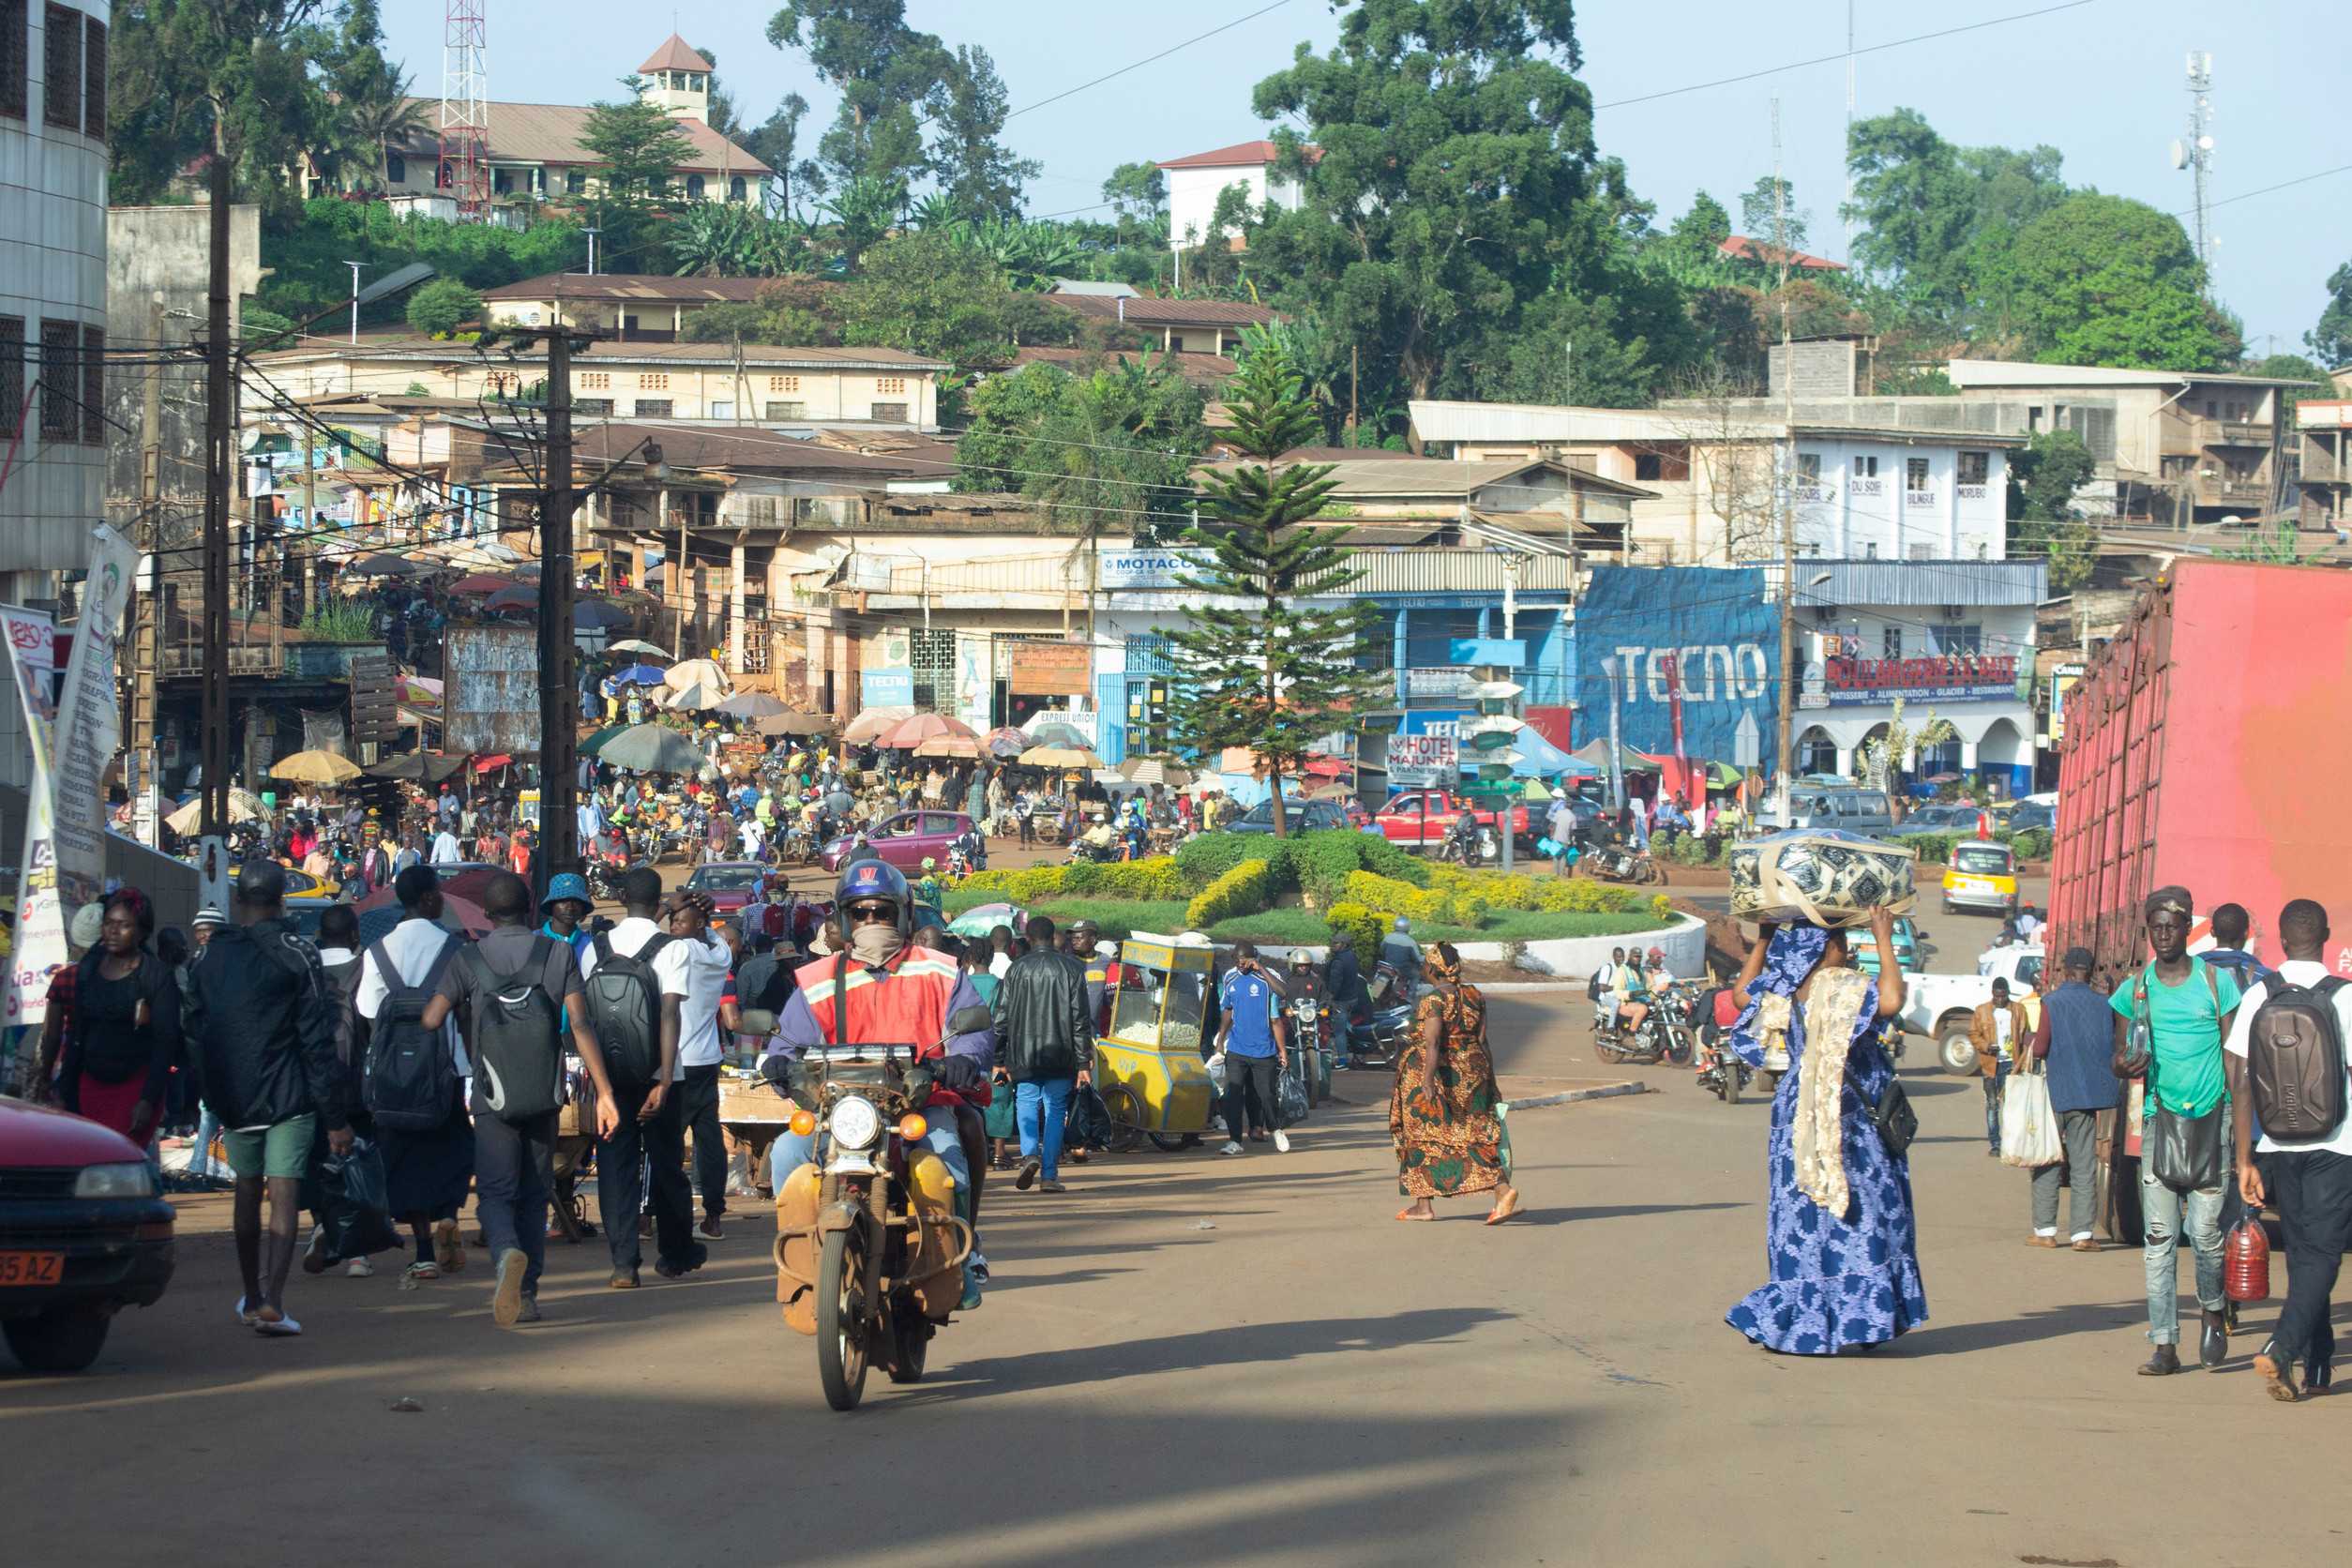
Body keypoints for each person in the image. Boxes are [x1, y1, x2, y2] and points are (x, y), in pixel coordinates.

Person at [761, 860, 996, 1309]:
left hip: (919, 1106)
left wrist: (965, 1059)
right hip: (840, 1113)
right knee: (788, 1156)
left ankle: (960, 1262)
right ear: (845, 919)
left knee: (948, 1166)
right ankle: (801, 1269)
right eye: (861, 913)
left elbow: (975, 1031)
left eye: (881, 912)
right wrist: (777, 1065)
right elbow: (787, 1042)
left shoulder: (942, 971)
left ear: (903, 916)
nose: (871, 922)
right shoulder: (816, 979)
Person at [421, 872, 621, 1328]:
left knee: (494, 1191)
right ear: (532, 909)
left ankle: (505, 1251)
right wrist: (605, 1093)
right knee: (535, 1192)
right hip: (545, 1094)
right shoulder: (558, 953)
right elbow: (582, 1024)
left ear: (487, 914)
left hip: (492, 1096)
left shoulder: (467, 957)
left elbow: (432, 1019)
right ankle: (527, 1294)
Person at [1725, 911, 1925, 1354]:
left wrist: (1763, 940)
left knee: (1803, 1216)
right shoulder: (1841, 988)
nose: (1846, 949)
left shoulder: (1786, 990)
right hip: (1845, 1121)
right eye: (1838, 942)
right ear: (1821, 951)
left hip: (1796, 1117)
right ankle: (1860, 1316)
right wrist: (1882, 938)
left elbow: (1741, 996)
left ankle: (1810, 1313)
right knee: (1866, 1211)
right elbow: (1891, 1000)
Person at [182, 861, 354, 1337]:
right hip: (289, 1098)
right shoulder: (298, 953)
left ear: (238, 902)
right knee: (283, 1195)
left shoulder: (211, 958)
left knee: (245, 1192)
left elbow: (194, 1031)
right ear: (283, 902)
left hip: (235, 1099)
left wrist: (213, 1091)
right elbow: (316, 1042)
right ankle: (273, 1302)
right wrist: (336, 1117)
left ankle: (252, 1296)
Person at [2109, 885, 2240, 1376]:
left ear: (2189, 929)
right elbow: (2118, 1058)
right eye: (2156, 927)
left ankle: (2211, 1307)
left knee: (2205, 1235)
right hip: (2159, 1122)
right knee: (2159, 1238)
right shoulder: (2135, 990)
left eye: (2172, 925)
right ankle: (2164, 1343)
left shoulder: (2216, 984)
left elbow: (2236, 1058)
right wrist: (2125, 1065)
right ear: (2149, 932)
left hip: (2214, 1121)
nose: (2164, 935)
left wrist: (2244, 1134)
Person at [2226, 898, 2352, 1402]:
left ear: (2280, 939)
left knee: (2303, 1255)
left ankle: (2317, 1364)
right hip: (2336, 1143)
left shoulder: (2260, 994)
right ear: (2326, 936)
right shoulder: (2343, 998)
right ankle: (2281, 1349)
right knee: (2321, 1254)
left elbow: (2239, 1081)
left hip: (2278, 1141)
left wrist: (2244, 1160)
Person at [578, 867, 701, 1288]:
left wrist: (601, 1087)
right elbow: (669, 1014)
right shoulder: (672, 949)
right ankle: (674, 1253)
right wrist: (664, 1082)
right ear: (657, 902)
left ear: (623, 898)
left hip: (609, 1079)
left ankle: (623, 1263)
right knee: (667, 1164)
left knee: (615, 1167)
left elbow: (587, 1021)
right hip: (659, 1073)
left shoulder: (594, 947)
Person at [354, 867, 476, 1288]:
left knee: (405, 1164)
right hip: (447, 1070)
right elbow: (467, 1011)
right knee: (451, 1152)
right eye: (438, 894)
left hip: (393, 1081)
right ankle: (448, 1216)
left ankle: (424, 1251)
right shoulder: (455, 948)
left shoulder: (376, 953)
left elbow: (369, 1015)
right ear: (427, 899)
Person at [1391, 942, 1519, 1223]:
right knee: (1476, 1134)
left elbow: (1434, 1042)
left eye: (1426, 965)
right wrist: (1493, 1082)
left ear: (1434, 970)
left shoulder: (1434, 1000)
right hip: (1475, 1073)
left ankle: (1428, 1206)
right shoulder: (1475, 996)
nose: (1423, 969)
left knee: (1420, 1137)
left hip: (1439, 1075)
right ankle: (1499, 1191)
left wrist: (1427, 1082)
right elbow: (1483, 1040)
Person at [54, 889, 179, 1150]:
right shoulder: (88, 970)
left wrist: (148, 1099)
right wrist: (64, 1088)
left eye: (124, 925)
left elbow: (165, 1043)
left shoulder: (156, 976)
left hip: (135, 1091)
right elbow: (77, 1033)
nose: (113, 931)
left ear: (142, 932)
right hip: (88, 1086)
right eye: (109, 923)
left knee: (121, 1164)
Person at [2025, 947, 2121, 1252]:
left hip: (2056, 1092)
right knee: (2083, 1165)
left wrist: (2028, 1040)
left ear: (2065, 971)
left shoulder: (2052, 1002)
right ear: (2091, 971)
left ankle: (2046, 1231)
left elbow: (2040, 1048)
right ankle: (2082, 1235)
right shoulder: (2103, 1004)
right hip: (2089, 1095)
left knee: (2048, 1160)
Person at [992, 914, 1096, 1194]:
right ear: (1054, 938)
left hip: (1023, 1053)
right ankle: (1049, 1175)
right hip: (1061, 1054)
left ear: (1027, 939)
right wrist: (1083, 1061)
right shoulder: (1073, 969)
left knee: (1026, 1102)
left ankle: (1030, 1155)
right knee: (1055, 1111)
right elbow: (1080, 1020)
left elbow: (1000, 1019)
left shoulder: (1015, 970)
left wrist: (998, 1060)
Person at [665, 891, 734, 1242]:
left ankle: (651, 1214)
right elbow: (711, 937)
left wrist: (668, 904)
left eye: (680, 922)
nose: (674, 926)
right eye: (673, 922)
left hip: (677, 1061)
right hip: (707, 1059)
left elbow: (646, 940)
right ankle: (713, 1215)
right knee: (709, 1141)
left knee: (667, 1141)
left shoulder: (680, 949)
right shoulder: (719, 953)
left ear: (699, 925)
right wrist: (695, 917)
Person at [1214, 942, 1289, 1155]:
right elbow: (1228, 1010)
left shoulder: (1266, 978)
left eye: (1245, 960)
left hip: (1264, 1050)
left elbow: (1282, 994)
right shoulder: (1230, 977)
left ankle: (1276, 1129)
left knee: (1266, 1095)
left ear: (1253, 958)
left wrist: (1282, 1051)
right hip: (1237, 1048)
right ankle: (1235, 1140)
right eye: (1237, 961)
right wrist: (1221, 1039)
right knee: (1232, 1094)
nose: (1241, 964)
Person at [1971, 978, 2031, 1157]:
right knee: (1992, 1104)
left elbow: (2025, 1035)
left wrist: (2023, 1062)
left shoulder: (2018, 1010)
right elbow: (1973, 1034)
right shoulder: (1982, 1011)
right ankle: (1995, 1143)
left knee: (2011, 1106)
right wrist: (1986, 1046)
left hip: (2011, 1064)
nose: (2000, 999)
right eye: (1997, 996)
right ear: (1992, 993)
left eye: (2003, 996)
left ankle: (2011, 1143)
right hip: (1991, 1064)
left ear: (2008, 993)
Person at [538, 872, 595, 966]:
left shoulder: (591, 944)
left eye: (576, 901)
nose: (570, 907)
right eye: (563, 901)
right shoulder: (534, 941)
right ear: (552, 905)